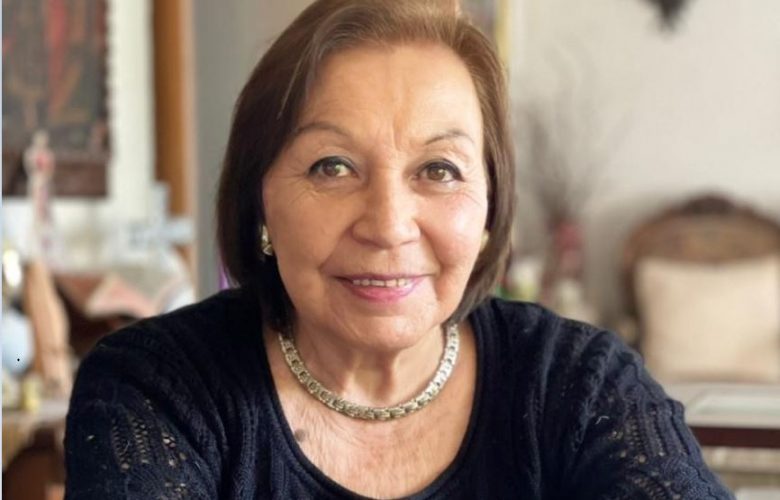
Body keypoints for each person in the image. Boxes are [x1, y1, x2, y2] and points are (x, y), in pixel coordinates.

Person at [64, 1, 734, 498]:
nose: (388, 226)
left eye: (438, 170)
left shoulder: (581, 386)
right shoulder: (157, 388)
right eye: (332, 166)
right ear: (260, 198)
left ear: (490, 206)